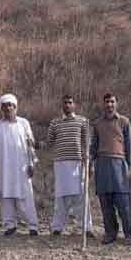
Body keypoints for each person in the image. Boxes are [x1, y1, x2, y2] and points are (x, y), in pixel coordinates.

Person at [0, 93, 40, 236]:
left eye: (10, 105)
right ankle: (9, 225)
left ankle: (33, 226)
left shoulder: (23, 123)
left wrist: (32, 163)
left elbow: (30, 144)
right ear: (1, 108)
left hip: (22, 166)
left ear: (15, 107)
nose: (8, 108)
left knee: (26, 196)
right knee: (6, 195)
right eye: (5, 106)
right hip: (4, 167)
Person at [90, 93, 131, 245]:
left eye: (112, 102)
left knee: (123, 202)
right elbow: (93, 147)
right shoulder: (97, 124)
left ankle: (129, 234)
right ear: (103, 104)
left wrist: (130, 166)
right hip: (102, 165)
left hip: (119, 164)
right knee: (105, 202)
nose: (109, 105)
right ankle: (110, 233)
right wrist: (90, 161)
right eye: (106, 102)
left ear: (116, 103)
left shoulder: (124, 122)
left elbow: (130, 147)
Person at [44, 95, 94, 237]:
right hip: (60, 163)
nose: (67, 105)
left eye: (70, 103)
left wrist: (89, 163)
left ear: (74, 105)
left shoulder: (83, 121)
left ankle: (87, 228)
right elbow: (49, 142)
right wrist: (35, 145)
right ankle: (57, 228)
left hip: (78, 163)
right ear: (62, 105)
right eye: (65, 103)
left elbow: (87, 143)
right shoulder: (55, 123)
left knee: (81, 196)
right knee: (61, 197)